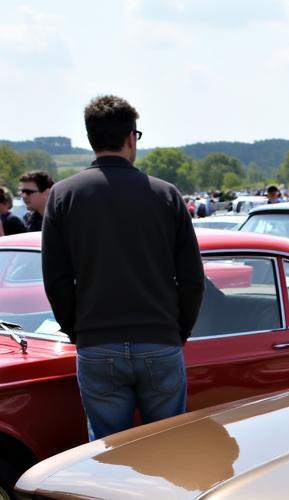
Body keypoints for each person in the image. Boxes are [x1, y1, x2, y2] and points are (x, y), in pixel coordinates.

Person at [41, 94, 204, 440]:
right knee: (169, 447)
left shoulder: (63, 195)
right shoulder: (167, 195)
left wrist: (77, 331)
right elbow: (191, 278)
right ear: (131, 138)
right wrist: (179, 331)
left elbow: (55, 280)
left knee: (107, 454)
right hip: (159, 339)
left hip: (97, 342)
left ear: (90, 138)